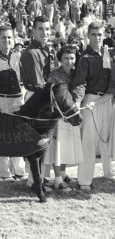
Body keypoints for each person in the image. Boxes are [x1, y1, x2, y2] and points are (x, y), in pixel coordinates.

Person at [72, 21, 115, 191]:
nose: (97, 38)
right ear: (87, 36)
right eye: (93, 34)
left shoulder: (107, 54)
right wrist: (77, 101)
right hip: (90, 101)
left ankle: (107, 172)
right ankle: (84, 180)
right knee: (89, 142)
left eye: (100, 34)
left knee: (106, 139)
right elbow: (80, 83)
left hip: (106, 100)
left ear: (104, 36)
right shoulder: (84, 58)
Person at [0, 25, 27, 182]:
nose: (7, 40)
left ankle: (19, 171)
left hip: (19, 98)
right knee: (3, 136)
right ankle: (5, 173)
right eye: (4, 37)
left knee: (19, 135)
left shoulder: (19, 56)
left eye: (10, 37)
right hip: (2, 100)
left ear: (14, 38)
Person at [43, 44, 83, 189]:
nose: (69, 61)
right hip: (59, 116)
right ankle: (57, 178)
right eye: (65, 58)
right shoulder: (54, 74)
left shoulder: (77, 73)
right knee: (57, 147)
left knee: (67, 146)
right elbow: (49, 94)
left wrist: (77, 102)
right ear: (60, 59)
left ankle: (64, 172)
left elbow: (81, 87)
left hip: (72, 114)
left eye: (72, 58)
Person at [20, 15, 51, 188]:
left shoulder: (45, 49)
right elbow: (39, 84)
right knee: (37, 142)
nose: (45, 32)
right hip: (36, 97)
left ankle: (37, 178)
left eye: (47, 29)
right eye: (41, 29)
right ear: (33, 31)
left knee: (41, 141)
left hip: (41, 96)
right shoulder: (31, 52)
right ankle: (33, 182)